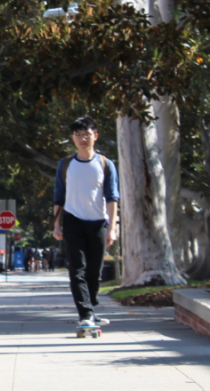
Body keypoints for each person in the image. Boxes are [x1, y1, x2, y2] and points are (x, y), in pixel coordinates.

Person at [53, 115, 119, 328]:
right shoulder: (65, 164)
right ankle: (85, 313)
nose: (83, 139)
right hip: (73, 222)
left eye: (87, 135)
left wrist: (112, 228)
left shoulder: (105, 164)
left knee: (94, 271)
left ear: (95, 136)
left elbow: (112, 197)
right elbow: (58, 196)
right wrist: (56, 225)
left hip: (98, 222)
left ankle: (90, 309)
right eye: (78, 135)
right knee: (77, 270)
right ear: (72, 138)